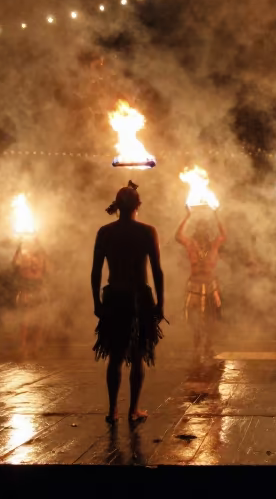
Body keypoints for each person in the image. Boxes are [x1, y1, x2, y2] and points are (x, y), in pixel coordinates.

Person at [91, 181, 164, 425]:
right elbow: (157, 271)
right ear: (138, 206)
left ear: (117, 206)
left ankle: (113, 410)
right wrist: (160, 303)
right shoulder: (147, 231)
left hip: (114, 297)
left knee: (115, 356)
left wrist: (96, 302)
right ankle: (133, 409)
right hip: (138, 298)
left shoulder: (105, 232)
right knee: (137, 354)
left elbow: (95, 272)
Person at [175, 207, 226, 360]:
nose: (202, 232)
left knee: (211, 318)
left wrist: (217, 215)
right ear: (196, 232)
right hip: (195, 286)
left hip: (210, 285)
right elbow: (178, 236)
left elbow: (223, 235)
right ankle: (197, 348)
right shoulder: (190, 244)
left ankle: (208, 346)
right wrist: (187, 216)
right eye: (199, 229)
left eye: (205, 229)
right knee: (195, 319)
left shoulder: (214, 245)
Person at [13, 237, 48, 355]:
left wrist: (39, 244)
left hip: (38, 289)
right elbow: (14, 263)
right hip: (27, 289)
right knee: (25, 319)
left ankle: (35, 345)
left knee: (40, 318)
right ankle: (23, 346)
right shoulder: (25, 260)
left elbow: (47, 268)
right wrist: (19, 246)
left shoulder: (40, 259)